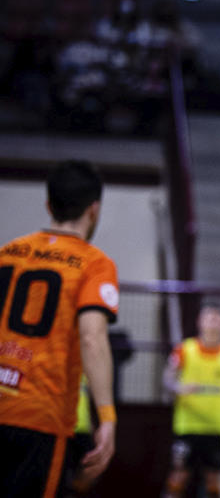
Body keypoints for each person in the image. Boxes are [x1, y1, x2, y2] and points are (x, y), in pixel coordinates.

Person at [0, 160, 119, 498]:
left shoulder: (8, 252)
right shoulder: (95, 264)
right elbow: (92, 337)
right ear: (94, 210)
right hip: (41, 418)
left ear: (49, 205)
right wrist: (107, 416)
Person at [162, 304, 220, 498]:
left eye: (218, 320)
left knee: (213, 481)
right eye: (210, 319)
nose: (214, 324)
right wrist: (178, 388)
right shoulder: (184, 349)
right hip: (188, 426)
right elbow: (167, 380)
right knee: (179, 477)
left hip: (216, 427)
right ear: (200, 322)